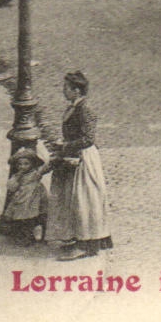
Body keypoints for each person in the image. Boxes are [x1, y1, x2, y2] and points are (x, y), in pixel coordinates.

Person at [48, 70, 113, 261]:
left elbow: (88, 139)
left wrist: (65, 145)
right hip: (73, 157)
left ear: (76, 90)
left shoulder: (85, 110)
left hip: (84, 159)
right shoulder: (74, 107)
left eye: (66, 88)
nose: (63, 91)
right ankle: (77, 238)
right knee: (72, 198)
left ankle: (86, 244)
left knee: (84, 200)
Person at [0, 149, 49, 246]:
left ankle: (39, 237)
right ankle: (23, 237)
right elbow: (11, 187)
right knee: (21, 219)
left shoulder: (35, 174)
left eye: (26, 164)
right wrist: (17, 178)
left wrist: (54, 161)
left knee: (36, 217)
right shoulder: (17, 176)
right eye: (20, 164)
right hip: (22, 199)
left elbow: (45, 168)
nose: (22, 166)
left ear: (32, 164)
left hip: (35, 199)